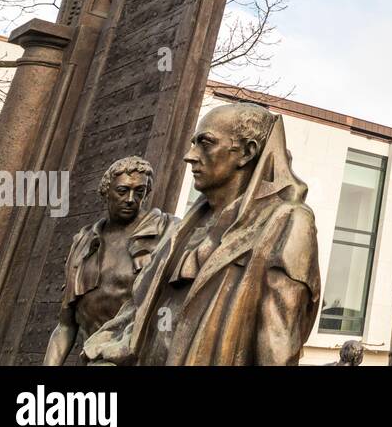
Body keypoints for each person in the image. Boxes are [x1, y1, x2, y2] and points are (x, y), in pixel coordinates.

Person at [83, 104, 320, 365]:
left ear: (247, 152)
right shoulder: (184, 229)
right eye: (193, 143)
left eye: (205, 143)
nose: (190, 155)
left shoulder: (288, 222)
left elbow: (277, 343)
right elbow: (135, 312)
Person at [44, 156, 175, 365]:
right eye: (122, 191)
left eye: (139, 192)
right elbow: (65, 326)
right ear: (106, 192)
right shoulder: (83, 244)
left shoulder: (168, 232)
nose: (131, 199)